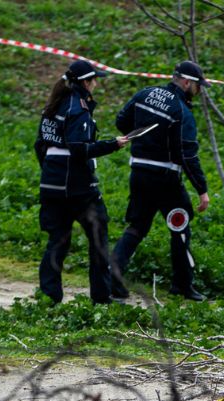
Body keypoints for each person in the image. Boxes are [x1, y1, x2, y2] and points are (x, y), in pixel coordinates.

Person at [110, 60, 212, 301]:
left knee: (137, 226)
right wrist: (202, 189)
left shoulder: (145, 93)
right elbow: (187, 154)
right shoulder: (181, 110)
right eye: (198, 86)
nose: (199, 92)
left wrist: (144, 138)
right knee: (180, 223)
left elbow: (122, 121)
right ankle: (183, 285)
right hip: (166, 178)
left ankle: (111, 276)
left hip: (139, 172)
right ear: (187, 82)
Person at [34, 59, 128, 304]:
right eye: (94, 80)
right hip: (79, 188)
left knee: (57, 241)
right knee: (98, 240)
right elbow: (78, 148)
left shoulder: (52, 107)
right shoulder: (79, 108)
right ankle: (101, 297)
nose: (96, 84)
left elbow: (40, 145)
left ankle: (49, 298)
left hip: (52, 185)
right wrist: (112, 145)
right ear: (86, 82)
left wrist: (50, 171)